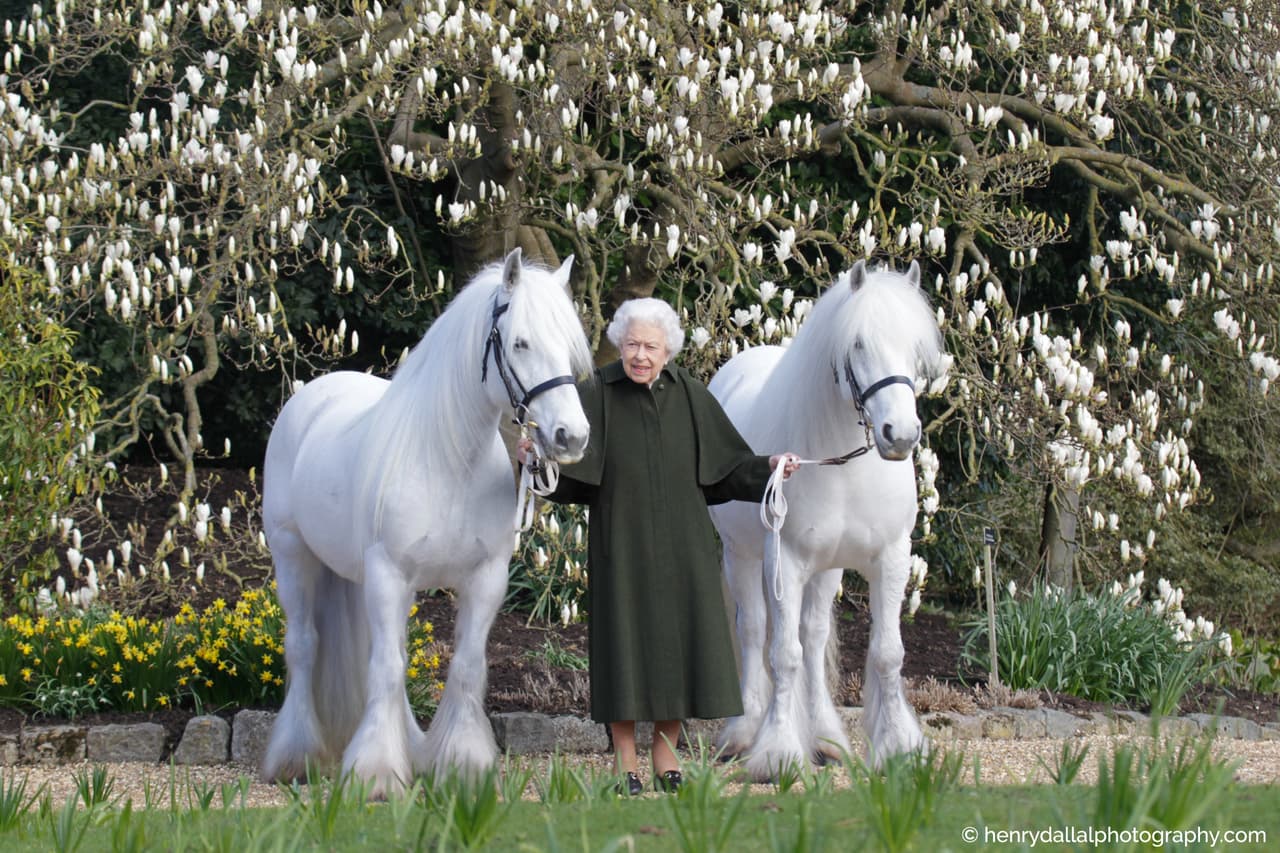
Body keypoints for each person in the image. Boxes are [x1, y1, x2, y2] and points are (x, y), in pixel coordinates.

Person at [519, 297, 799, 795]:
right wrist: (534, 460)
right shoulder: (596, 393)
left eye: (650, 346)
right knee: (623, 650)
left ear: (668, 349)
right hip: (620, 543)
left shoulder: (689, 394)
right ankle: (625, 759)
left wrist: (770, 466)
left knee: (679, 649)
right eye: (632, 345)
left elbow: (727, 468)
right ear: (619, 345)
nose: (640, 355)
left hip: (683, 547)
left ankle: (666, 753)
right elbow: (568, 475)